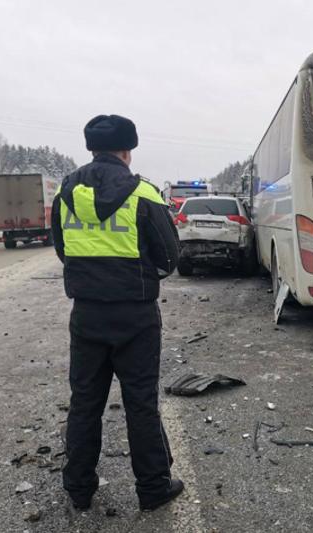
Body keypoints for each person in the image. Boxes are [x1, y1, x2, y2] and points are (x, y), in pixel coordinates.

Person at [51, 114, 183, 512]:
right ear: (127, 150)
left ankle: (79, 488)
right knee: (140, 402)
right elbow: (169, 257)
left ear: (92, 148)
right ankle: (153, 488)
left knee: (84, 401)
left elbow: (63, 250)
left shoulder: (65, 192)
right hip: (135, 317)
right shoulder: (144, 193)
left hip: (86, 315)